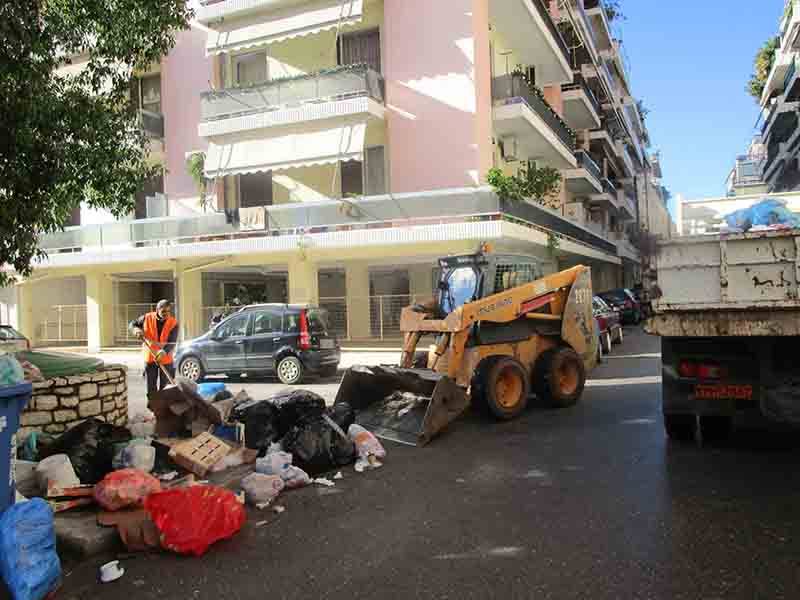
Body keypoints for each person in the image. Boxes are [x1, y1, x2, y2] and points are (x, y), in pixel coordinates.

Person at [129, 299, 179, 396]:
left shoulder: (173, 323)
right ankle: (153, 407)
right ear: (157, 310)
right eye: (163, 311)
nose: (166, 314)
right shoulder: (147, 318)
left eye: (169, 311)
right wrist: (136, 330)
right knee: (151, 387)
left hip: (166, 359)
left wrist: (163, 352)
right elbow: (132, 324)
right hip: (150, 357)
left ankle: (163, 409)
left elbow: (172, 342)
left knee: (165, 388)